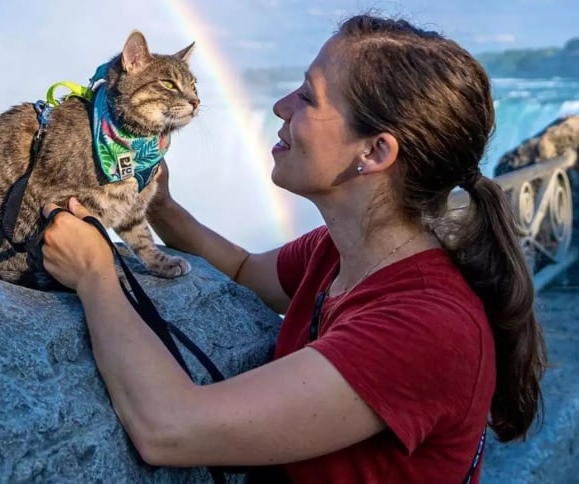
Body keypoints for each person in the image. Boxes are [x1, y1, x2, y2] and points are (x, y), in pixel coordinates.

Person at [40, 14, 547, 483]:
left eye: (308, 97)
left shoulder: (425, 327)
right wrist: (160, 204)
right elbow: (241, 268)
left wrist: (95, 272)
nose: (280, 106)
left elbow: (169, 428)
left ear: (374, 152)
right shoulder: (342, 251)